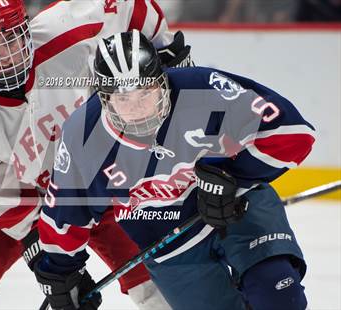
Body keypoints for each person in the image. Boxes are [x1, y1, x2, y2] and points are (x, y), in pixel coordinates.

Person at [0, 0, 193, 309]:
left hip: (102, 188)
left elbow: (128, 6)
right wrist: (45, 254)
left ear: (25, 28)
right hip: (20, 199)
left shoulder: (66, 32)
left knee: (158, 288)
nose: (4, 55)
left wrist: (163, 47)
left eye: (10, 37)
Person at [33, 30, 316, 310]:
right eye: (123, 98)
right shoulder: (84, 135)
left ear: (162, 80)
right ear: (105, 99)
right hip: (170, 245)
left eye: (145, 92)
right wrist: (61, 274)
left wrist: (232, 177)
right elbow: (66, 214)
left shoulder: (202, 88)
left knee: (278, 296)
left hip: (239, 207)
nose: (137, 108)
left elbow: (292, 133)